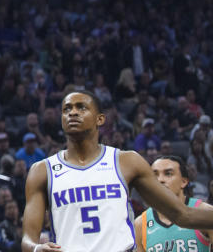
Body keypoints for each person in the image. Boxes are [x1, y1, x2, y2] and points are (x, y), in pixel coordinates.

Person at [22, 91, 213, 252]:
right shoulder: (42, 171)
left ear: (100, 119)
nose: (72, 113)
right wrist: (37, 248)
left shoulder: (126, 161)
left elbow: (182, 214)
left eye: (81, 107)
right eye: (67, 109)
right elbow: (27, 240)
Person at [134, 155, 213, 252]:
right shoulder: (140, 224)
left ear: (184, 181)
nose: (160, 180)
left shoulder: (205, 212)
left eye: (168, 174)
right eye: (155, 175)